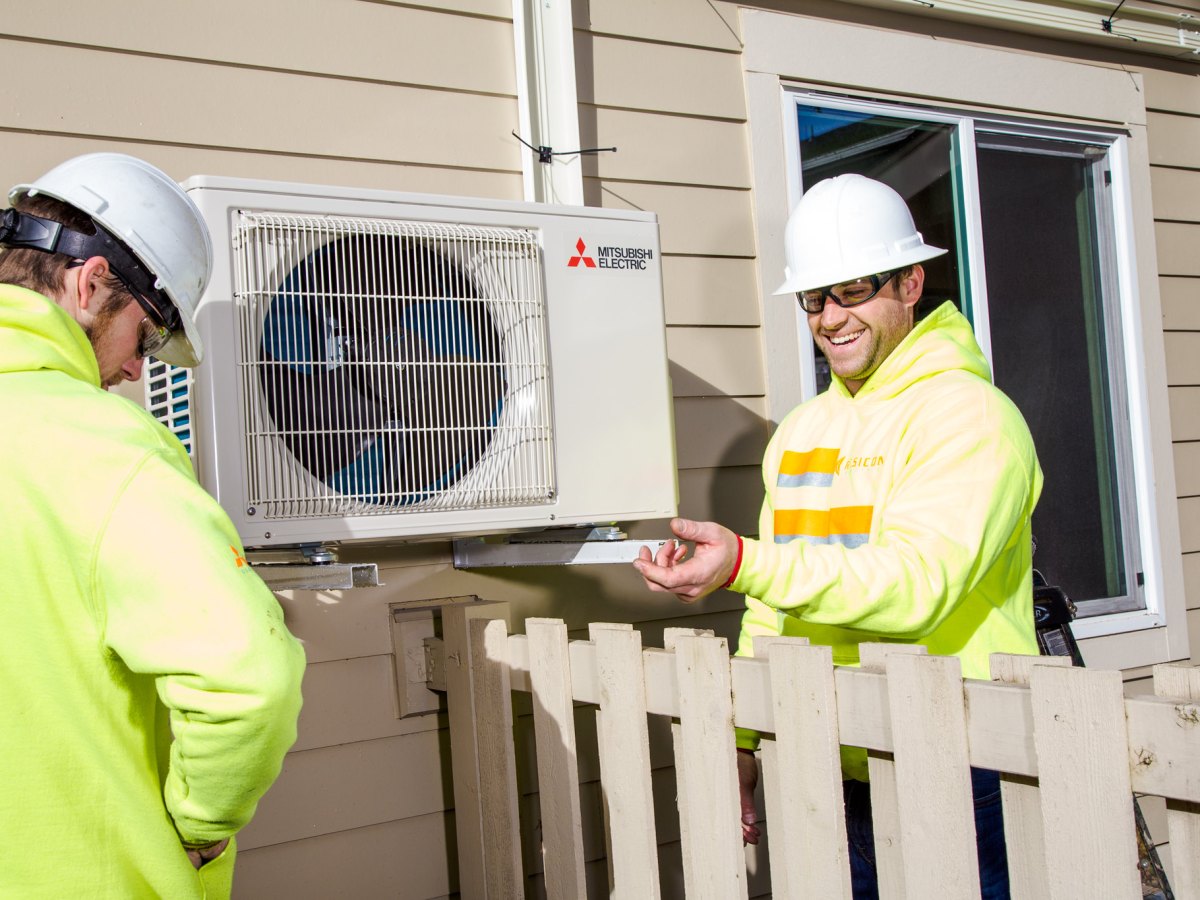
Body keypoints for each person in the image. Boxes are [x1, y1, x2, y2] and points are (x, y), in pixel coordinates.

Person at [634, 173, 1041, 899]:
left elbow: (915, 587)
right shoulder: (801, 432)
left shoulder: (971, 417)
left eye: (854, 290)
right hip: (842, 759)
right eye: (816, 298)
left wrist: (745, 563)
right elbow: (771, 605)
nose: (831, 317)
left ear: (911, 283)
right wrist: (741, 740)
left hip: (964, 760)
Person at [0, 153, 306, 899]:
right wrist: (203, 824)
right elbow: (249, 678)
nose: (138, 371)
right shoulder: (106, 450)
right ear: (90, 281)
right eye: (146, 336)